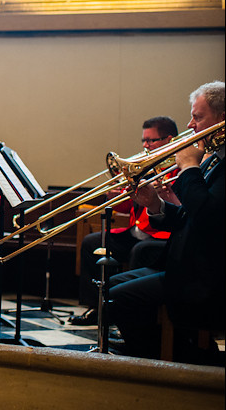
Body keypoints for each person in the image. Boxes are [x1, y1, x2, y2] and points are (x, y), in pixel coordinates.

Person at [108, 81, 224, 363]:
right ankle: (158, 348)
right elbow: (188, 216)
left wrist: (189, 167)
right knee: (111, 284)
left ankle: (163, 359)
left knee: (120, 297)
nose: (190, 124)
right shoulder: (213, 159)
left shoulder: (209, 161)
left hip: (207, 279)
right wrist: (156, 205)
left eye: (197, 117)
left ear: (221, 119)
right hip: (186, 266)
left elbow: (209, 218)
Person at [70, 116, 178, 327]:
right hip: (136, 232)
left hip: (161, 237)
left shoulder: (176, 167)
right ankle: (97, 308)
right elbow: (131, 207)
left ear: (169, 139)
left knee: (141, 251)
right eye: (144, 140)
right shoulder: (144, 166)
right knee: (92, 242)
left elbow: (176, 207)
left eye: (151, 140)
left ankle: (129, 317)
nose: (146, 145)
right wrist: (115, 197)